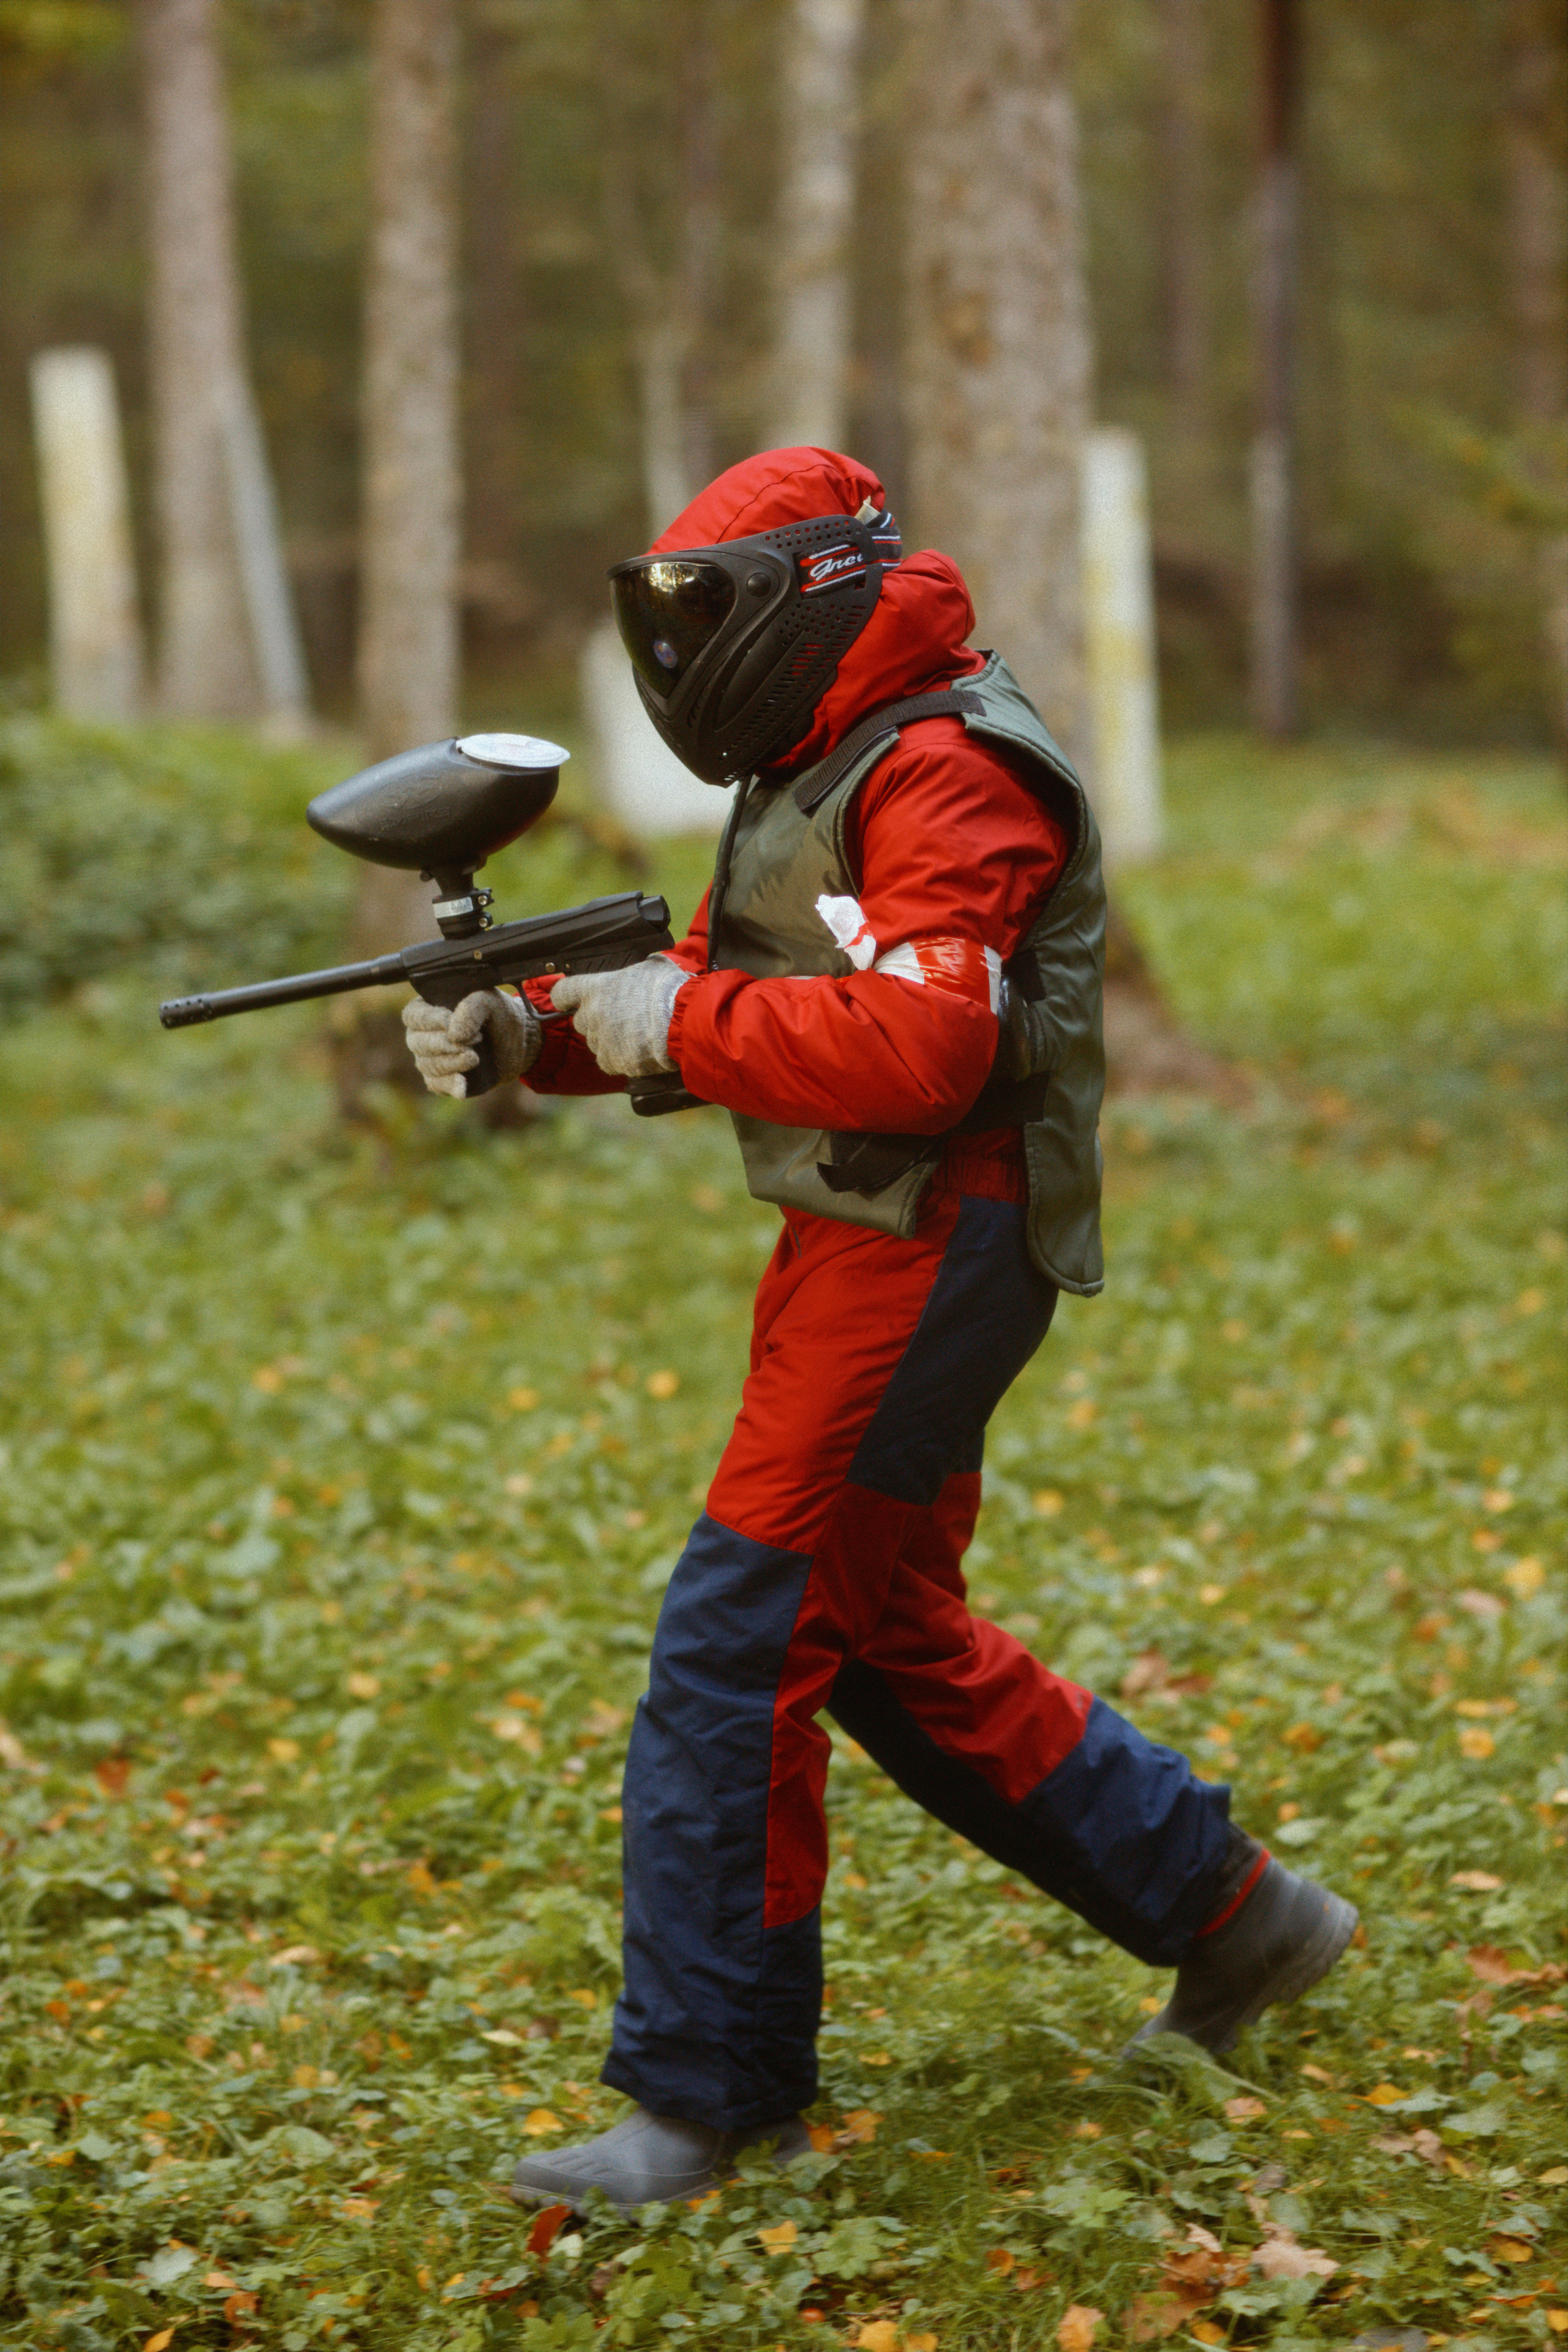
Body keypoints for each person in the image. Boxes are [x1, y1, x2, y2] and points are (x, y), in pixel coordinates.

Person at [403, 448, 1357, 2215]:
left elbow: (922, 1053)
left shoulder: (947, 765)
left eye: (706, 614)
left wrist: (659, 1017)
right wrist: (536, 1030)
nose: (680, 654)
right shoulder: (833, 750)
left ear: (807, 600)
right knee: (891, 1638)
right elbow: (746, 992)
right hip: (860, 1239)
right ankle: (1243, 1918)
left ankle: (706, 2100)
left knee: (738, 1646)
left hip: (938, 1238)